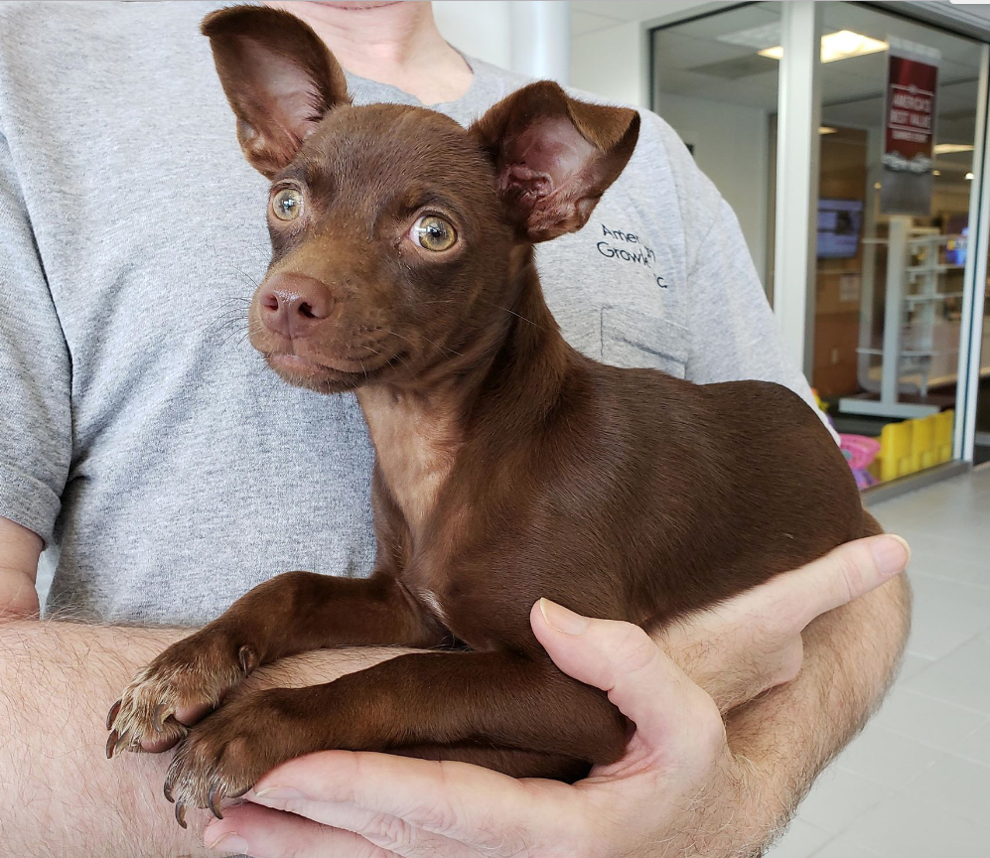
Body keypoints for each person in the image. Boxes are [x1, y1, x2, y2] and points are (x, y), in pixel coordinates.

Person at [0, 2, 911, 857]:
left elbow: (862, 576)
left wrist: (729, 806)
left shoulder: (649, 199)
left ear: (546, 193)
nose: (296, 287)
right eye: (292, 204)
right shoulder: (30, 68)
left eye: (430, 233)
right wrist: (250, 632)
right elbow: (419, 607)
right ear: (268, 139)